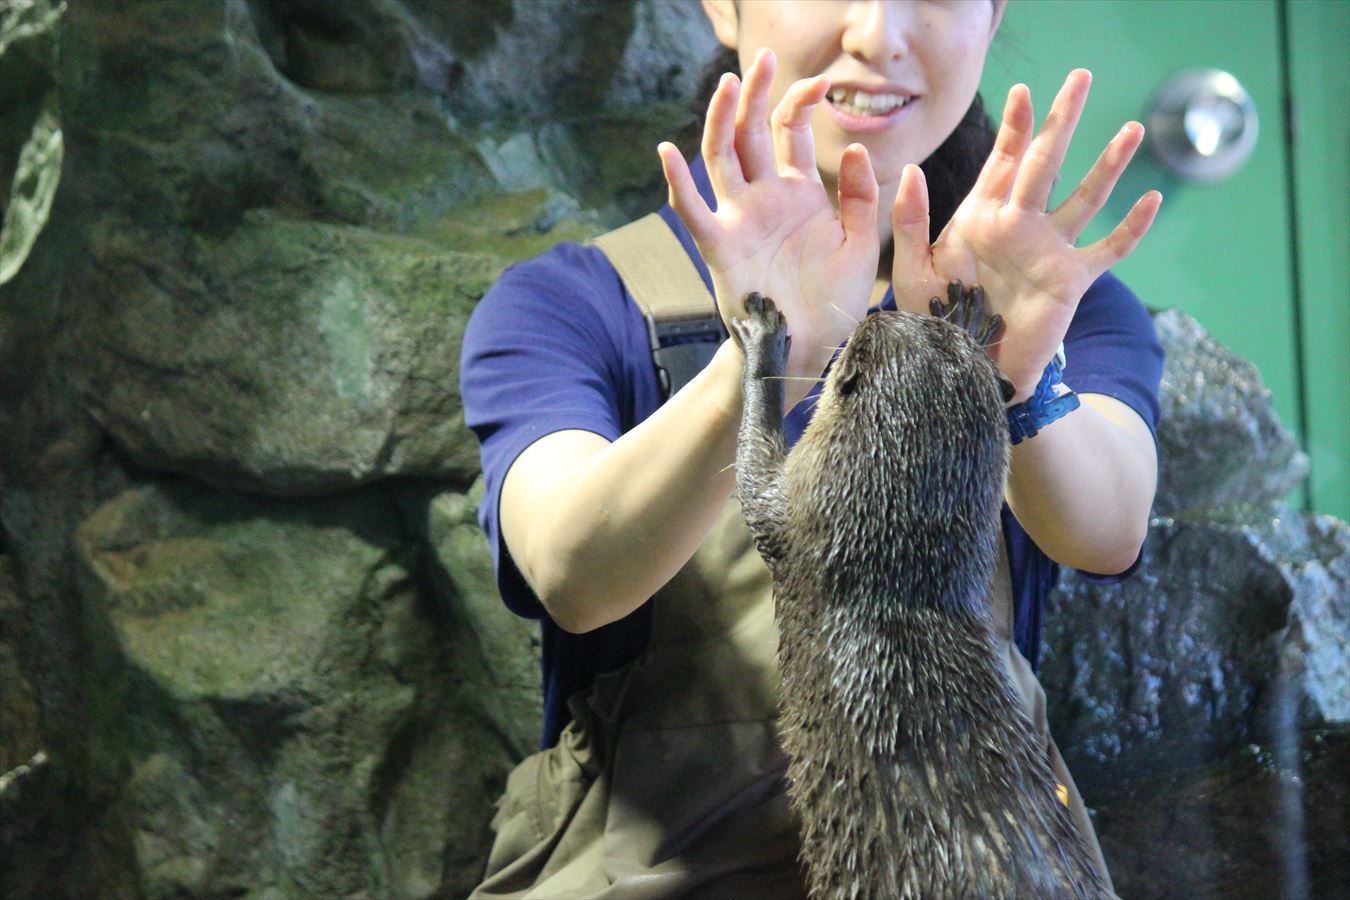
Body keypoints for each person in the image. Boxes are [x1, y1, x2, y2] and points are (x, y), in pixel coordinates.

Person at [461, 1, 1163, 896]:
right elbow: (572, 574)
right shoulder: (576, 304)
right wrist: (758, 360)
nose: (877, 36)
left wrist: (1018, 376)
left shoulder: (1052, 301)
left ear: (993, 18)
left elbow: (1109, 533)